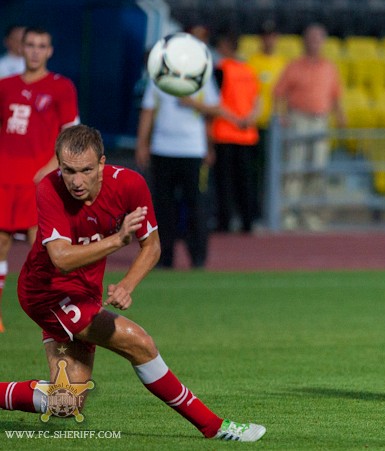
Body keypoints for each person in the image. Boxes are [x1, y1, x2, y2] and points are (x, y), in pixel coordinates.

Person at [0, 124, 265, 441]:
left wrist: (127, 284)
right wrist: (117, 240)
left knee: (67, 401)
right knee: (139, 342)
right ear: (59, 165)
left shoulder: (129, 185)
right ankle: (213, 426)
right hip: (46, 293)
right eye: (68, 170)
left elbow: (152, 246)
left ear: (102, 163)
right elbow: (61, 258)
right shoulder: (50, 188)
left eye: (86, 170)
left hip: (85, 292)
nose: (76, 181)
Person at [0, 27, 79, 333]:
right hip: (5, 177)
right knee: (1, 244)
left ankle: (52, 316)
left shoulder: (61, 87)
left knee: (44, 250)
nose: (35, 51)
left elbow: (70, 132)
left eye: (41, 45)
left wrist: (52, 165)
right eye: (30, 45)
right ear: (22, 48)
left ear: (50, 51)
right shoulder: (5, 86)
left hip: (38, 181)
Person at [135, 62, 220, 269]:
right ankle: (164, 257)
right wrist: (142, 144)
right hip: (162, 149)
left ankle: (197, 258)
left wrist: (209, 145)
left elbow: (214, 109)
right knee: (163, 207)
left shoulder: (201, 75)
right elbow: (148, 111)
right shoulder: (158, 76)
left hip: (193, 149)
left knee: (196, 205)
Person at [273, 23, 345, 230]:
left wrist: (340, 116)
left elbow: (335, 95)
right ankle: (288, 214)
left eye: (318, 39)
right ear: (304, 42)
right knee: (294, 167)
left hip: (320, 120)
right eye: (311, 39)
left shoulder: (329, 67)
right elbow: (278, 93)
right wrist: (281, 116)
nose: (314, 43)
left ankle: (310, 214)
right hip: (298, 119)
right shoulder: (294, 66)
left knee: (317, 168)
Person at [211, 30, 261, 234]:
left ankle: (225, 221)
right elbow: (257, 100)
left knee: (225, 183)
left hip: (225, 133)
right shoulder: (248, 70)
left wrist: (234, 119)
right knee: (246, 182)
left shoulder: (220, 69)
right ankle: (247, 221)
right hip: (247, 135)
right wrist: (250, 118)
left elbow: (214, 101)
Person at [247, 20, 288, 221]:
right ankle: (256, 210)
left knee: (275, 171)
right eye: (265, 36)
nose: (269, 40)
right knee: (258, 171)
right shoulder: (252, 63)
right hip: (258, 124)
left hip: (277, 125)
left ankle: (274, 210)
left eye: (272, 36)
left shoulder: (283, 63)